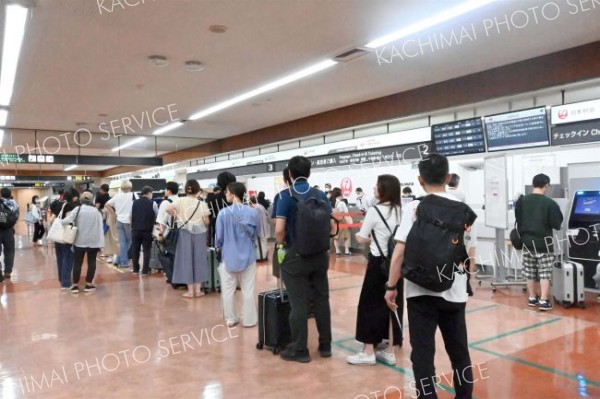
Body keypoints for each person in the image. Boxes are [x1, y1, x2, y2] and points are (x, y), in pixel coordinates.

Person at [385, 153, 476, 399]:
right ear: (448, 177)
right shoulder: (465, 211)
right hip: (454, 291)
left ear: (420, 179)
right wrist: (465, 282)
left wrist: (391, 286)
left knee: (422, 354)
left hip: (420, 291)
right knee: (459, 351)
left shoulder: (415, 207)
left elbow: (399, 251)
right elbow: (470, 253)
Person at [275, 155, 333, 363]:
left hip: (296, 257)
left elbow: (280, 230)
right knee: (321, 300)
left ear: (290, 173)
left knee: (298, 303)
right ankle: (325, 345)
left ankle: (300, 350)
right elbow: (331, 226)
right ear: (309, 173)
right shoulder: (320, 195)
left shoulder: (284, 196)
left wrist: (280, 248)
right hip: (320, 255)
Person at [348, 175, 403, 366]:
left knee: (369, 305)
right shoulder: (400, 211)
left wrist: (365, 237)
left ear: (383, 189)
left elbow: (362, 238)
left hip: (377, 263)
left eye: (377, 186)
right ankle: (390, 350)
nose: (374, 188)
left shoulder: (374, 211)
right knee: (392, 305)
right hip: (396, 264)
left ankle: (368, 350)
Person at [216, 182, 259, 327]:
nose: (225, 195)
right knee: (248, 289)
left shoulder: (222, 213)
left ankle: (230, 318)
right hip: (248, 256)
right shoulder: (253, 212)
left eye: (227, 193)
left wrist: (218, 248)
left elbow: (219, 238)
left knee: (228, 290)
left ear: (233, 194)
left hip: (229, 256)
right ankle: (249, 320)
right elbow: (256, 234)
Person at [519, 173, 563, 311]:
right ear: (547, 186)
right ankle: (544, 300)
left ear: (533, 185)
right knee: (544, 271)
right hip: (544, 243)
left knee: (529, 271)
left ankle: (532, 298)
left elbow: (518, 221)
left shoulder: (522, 201)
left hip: (526, 243)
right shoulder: (550, 203)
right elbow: (557, 224)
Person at [167, 179, 210, 298]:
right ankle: (198, 290)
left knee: (186, 260)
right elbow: (206, 221)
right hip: (200, 234)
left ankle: (190, 292)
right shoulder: (202, 203)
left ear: (186, 189)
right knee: (199, 260)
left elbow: (168, 209)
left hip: (184, 233)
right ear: (198, 190)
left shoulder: (179, 201)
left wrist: (177, 217)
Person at [62, 191, 104, 293]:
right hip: (93, 241)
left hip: (79, 241)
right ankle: (89, 284)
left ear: (81, 200)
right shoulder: (96, 212)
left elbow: (66, 221)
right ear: (91, 201)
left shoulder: (78, 209)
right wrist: (101, 243)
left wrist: (63, 221)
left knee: (77, 262)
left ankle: (75, 285)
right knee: (92, 262)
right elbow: (100, 227)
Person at [49, 188, 79, 290]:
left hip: (58, 235)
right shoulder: (70, 206)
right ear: (74, 197)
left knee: (60, 258)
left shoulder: (58, 204)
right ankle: (66, 283)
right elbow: (68, 220)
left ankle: (62, 279)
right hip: (66, 235)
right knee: (68, 257)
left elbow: (53, 218)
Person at [105, 180, 137, 268]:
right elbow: (138, 205)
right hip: (129, 221)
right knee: (130, 241)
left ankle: (119, 260)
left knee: (122, 242)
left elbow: (107, 204)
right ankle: (123, 261)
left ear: (121, 187)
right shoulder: (133, 195)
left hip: (118, 220)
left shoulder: (117, 196)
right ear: (130, 187)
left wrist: (113, 213)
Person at [130, 186, 158, 276]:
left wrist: (132, 227)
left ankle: (135, 270)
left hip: (135, 230)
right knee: (146, 251)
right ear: (149, 193)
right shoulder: (153, 203)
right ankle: (145, 271)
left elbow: (130, 216)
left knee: (135, 250)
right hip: (147, 230)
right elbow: (157, 216)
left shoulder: (134, 203)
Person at [205, 172, 236, 247]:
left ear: (219, 183)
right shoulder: (238, 198)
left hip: (218, 232)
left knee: (221, 255)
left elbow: (209, 216)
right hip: (236, 233)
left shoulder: (212, 198)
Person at [0, 188, 19, 281]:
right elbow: (16, 216)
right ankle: (7, 271)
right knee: (10, 251)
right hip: (9, 230)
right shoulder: (14, 204)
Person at [331, 187, 352, 256]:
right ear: (339, 194)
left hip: (334, 221)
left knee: (336, 237)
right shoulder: (342, 203)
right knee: (346, 236)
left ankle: (337, 251)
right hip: (342, 221)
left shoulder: (331, 202)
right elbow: (346, 213)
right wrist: (349, 221)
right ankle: (346, 251)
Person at [249, 196, 270, 261]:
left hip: (259, 229)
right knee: (264, 243)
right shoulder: (261, 206)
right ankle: (265, 256)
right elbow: (267, 214)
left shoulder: (255, 208)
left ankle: (261, 258)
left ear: (250, 202)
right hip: (264, 228)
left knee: (259, 244)